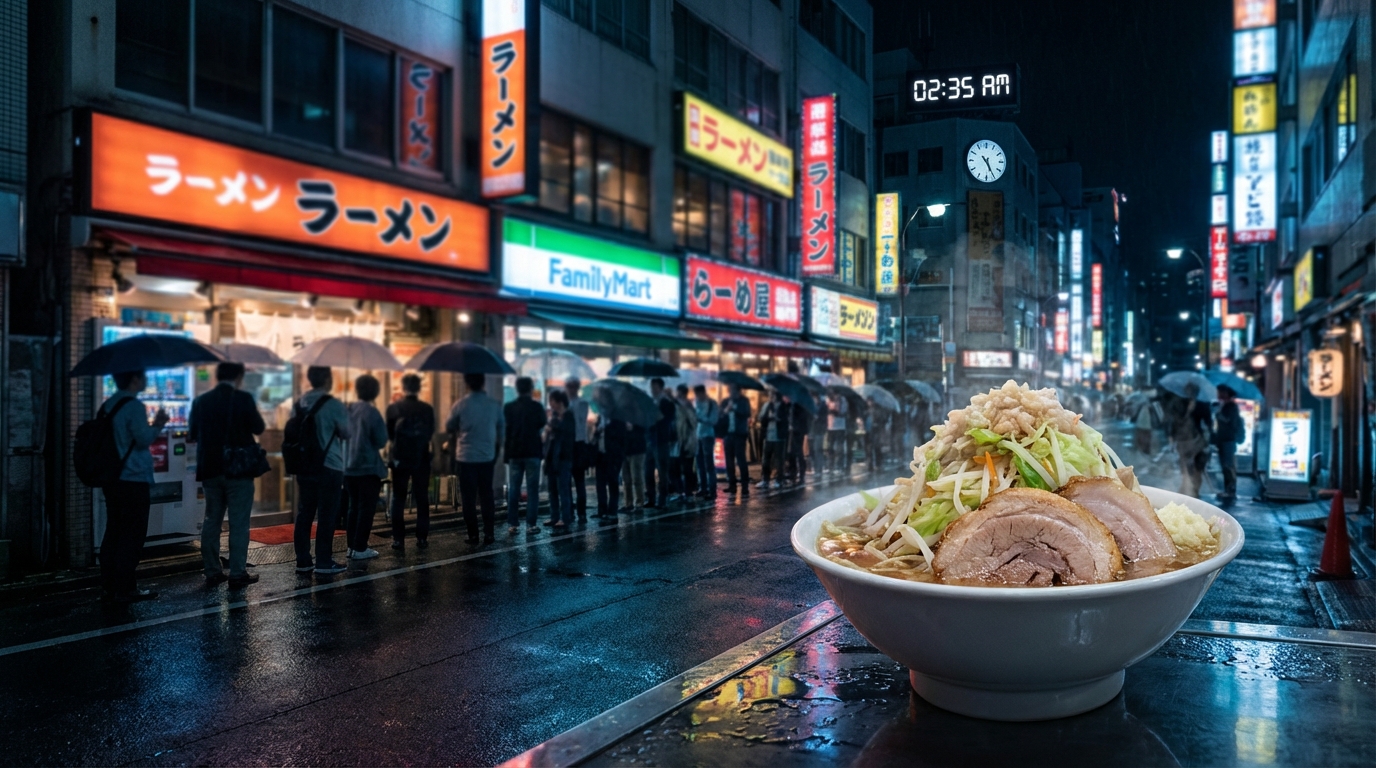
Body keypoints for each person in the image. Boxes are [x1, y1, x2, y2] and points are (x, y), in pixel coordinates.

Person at [189, 362, 266, 589]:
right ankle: (237, 572)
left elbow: (193, 433)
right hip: (238, 469)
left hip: (210, 468)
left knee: (211, 520)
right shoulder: (243, 398)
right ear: (239, 376)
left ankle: (212, 570)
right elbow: (259, 427)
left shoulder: (201, 401)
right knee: (239, 522)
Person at [99, 369, 170, 602]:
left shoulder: (108, 405)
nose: (146, 380)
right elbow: (143, 440)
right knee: (133, 534)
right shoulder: (133, 406)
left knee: (114, 530)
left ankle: (109, 585)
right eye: (143, 377)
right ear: (135, 379)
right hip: (133, 478)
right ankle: (126, 587)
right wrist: (158, 424)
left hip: (112, 478)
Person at [293, 366, 350, 575]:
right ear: (327, 379)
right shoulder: (333, 404)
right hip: (329, 465)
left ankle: (303, 560)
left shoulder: (299, 403)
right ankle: (324, 561)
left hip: (304, 466)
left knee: (305, 512)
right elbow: (347, 433)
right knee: (327, 514)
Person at [446, 373, 504, 545]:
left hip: (466, 457)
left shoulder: (460, 404)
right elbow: (502, 430)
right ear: (483, 384)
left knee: (468, 498)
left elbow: (449, 426)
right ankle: (489, 534)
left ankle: (473, 535)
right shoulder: (493, 405)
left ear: (467, 385)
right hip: (487, 456)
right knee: (487, 495)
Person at [387, 374, 436, 549]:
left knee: (398, 498)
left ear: (403, 387)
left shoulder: (394, 408)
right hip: (421, 458)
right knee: (422, 497)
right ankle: (421, 538)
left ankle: (398, 539)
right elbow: (430, 432)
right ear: (419, 388)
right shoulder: (427, 409)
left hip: (400, 459)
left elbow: (390, 435)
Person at [343, 374, 387, 561]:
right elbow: (381, 440)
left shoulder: (348, 409)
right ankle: (360, 547)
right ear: (374, 392)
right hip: (368, 467)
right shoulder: (372, 412)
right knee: (366, 508)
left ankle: (351, 546)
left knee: (353, 507)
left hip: (348, 466)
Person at [504, 376, 546, 535]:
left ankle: (513, 524)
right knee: (532, 489)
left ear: (517, 389)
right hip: (532, 451)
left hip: (514, 452)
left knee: (514, 488)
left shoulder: (509, 407)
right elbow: (542, 423)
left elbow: (506, 430)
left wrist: (506, 454)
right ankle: (531, 525)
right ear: (531, 389)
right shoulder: (537, 407)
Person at [1166, 383, 1212, 498]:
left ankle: (1194, 492)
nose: (1189, 393)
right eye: (1188, 391)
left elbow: (1208, 422)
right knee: (1185, 467)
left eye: (1192, 391)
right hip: (1183, 441)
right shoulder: (1180, 403)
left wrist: (1208, 437)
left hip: (1198, 441)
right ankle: (1186, 489)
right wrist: (1171, 435)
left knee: (1197, 468)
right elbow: (1175, 420)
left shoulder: (1202, 405)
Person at [544, 389, 576, 528]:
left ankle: (566, 517)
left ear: (559, 401)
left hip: (564, 457)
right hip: (552, 457)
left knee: (563, 488)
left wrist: (553, 426)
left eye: (552, 401)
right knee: (552, 490)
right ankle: (554, 516)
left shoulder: (569, 416)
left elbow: (567, 434)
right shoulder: (554, 417)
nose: (551, 404)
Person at [645, 377, 677, 507]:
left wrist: (658, 416)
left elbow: (668, 419)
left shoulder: (666, 403)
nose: (652, 390)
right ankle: (651, 498)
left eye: (655, 387)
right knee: (648, 471)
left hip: (662, 440)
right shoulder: (650, 402)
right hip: (650, 440)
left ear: (660, 388)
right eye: (651, 387)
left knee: (662, 471)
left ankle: (662, 498)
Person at [565, 378, 592, 520]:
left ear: (576, 388)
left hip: (579, 443)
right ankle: (570, 511)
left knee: (579, 481)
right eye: (568, 387)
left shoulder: (582, 403)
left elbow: (580, 421)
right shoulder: (565, 403)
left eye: (572, 387)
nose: (570, 390)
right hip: (569, 444)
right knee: (567, 481)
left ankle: (581, 513)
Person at [1213, 384, 1244, 503]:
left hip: (1228, 440)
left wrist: (1218, 414)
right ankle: (1227, 489)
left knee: (1228, 465)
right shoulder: (1224, 405)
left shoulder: (1231, 406)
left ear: (1225, 393)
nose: (1218, 394)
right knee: (1225, 465)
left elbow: (1230, 421)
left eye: (1220, 392)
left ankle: (1230, 490)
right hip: (1223, 439)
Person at [595, 415, 628, 519]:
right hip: (600, 455)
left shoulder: (617, 419)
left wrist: (619, 456)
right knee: (600, 484)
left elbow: (622, 438)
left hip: (613, 456)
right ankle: (602, 510)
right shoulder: (600, 419)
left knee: (612, 482)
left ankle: (612, 510)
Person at [722, 383, 752, 494]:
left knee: (741, 460)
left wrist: (734, 409)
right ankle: (732, 485)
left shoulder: (744, 401)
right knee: (729, 461)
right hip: (728, 434)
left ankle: (745, 486)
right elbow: (720, 414)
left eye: (734, 390)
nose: (731, 392)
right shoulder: (725, 401)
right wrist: (726, 410)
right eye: (730, 390)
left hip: (739, 434)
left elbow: (747, 413)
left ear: (738, 391)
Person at [756, 390, 789, 488]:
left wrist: (778, 418)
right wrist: (766, 417)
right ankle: (765, 479)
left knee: (779, 459)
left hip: (779, 436)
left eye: (772, 395)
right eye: (770, 395)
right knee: (766, 459)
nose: (770, 397)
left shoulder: (783, 406)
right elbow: (760, 417)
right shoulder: (767, 405)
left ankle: (779, 479)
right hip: (768, 435)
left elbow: (786, 419)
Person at [692, 385, 719, 498]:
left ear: (703, 393)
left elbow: (714, 420)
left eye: (698, 394)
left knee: (709, 464)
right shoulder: (695, 403)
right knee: (700, 464)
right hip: (697, 436)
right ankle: (702, 488)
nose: (697, 396)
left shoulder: (712, 404)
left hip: (708, 435)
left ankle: (712, 490)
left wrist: (701, 418)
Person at [673, 384, 699, 501]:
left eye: (678, 392)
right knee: (676, 468)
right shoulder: (677, 405)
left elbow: (693, 423)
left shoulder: (688, 406)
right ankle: (681, 492)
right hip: (679, 442)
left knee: (687, 467)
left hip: (687, 441)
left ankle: (688, 492)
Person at [622, 422, 647, 512]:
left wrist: (634, 427)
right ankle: (629, 503)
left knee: (636, 477)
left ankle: (639, 502)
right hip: (625, 450)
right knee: (626, 479)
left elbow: (644, 427)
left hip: (637, 449)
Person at [785, 396, 811, 484]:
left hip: (797, 431)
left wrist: (794, 425)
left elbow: (803, 417)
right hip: (793, 430)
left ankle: (800, 474)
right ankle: (793, 472)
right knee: (792, 453)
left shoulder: (799, 405)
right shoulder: (791, 405)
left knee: (798, 452)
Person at [826, 392, 849, 473]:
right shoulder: (829, 400)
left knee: (839, 447)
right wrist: (829, 411)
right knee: (830, 447)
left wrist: (836, 411)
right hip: (830, 427)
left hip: (840, 427)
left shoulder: (843, 400)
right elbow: (826, 410)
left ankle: (839, 465)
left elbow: (843, 412)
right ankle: (830, 466)